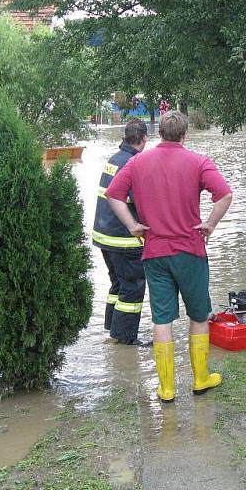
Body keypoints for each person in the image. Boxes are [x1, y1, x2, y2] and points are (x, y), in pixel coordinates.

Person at [106, 111, 233, 402]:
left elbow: (113, 194)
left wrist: (132, 225)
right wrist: (210, 224)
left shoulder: (137, 162)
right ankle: (200, 379)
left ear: (159, 134)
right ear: (185, 135)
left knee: (162, 319)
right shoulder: (198, 161)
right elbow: (224, 195)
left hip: (154, 252)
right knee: (199, 315)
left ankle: (166, 388)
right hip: (190, 250)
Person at [92, 118, 148, 345]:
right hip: (123, 240)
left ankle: (113, 329)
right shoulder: (134, 165)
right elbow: (142, 203)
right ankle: (125, 339)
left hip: (103, 236)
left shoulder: (113, 160)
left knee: (117, 284)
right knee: (132, 288)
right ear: (144, 140)